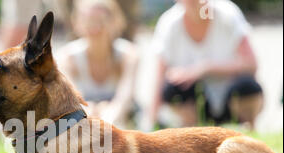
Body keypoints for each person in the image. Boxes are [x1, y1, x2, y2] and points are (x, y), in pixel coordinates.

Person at [151, 0, 263, 128]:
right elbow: (159, 80)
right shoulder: (169, 24)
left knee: (247, 85)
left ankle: (248, 126)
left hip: (231, 97)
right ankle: (192, 131)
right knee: (172, 88)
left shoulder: (228, 14)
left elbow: (251, 64)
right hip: (195, 103)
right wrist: (152, 122)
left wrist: (205, 68)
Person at [57, 0, 139, 128]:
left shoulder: (128, 54)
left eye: (101, 19)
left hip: (119, 122)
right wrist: (93, 114)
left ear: (115, 22)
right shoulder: (67, 57)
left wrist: (108, 117)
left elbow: (125, 98)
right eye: (88, 20)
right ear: (76, 23)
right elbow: (73, 101)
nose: (95, 26)